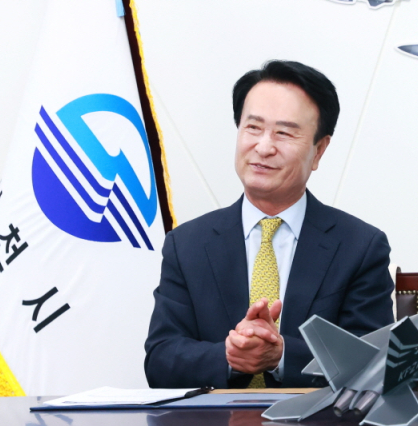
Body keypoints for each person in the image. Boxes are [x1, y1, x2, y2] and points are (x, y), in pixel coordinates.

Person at [144, 60, 394, 389]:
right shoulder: (187, 244)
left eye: (284, 133)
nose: (263, 147)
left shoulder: (359, 247)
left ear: (319, 150)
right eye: (253, 128)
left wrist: (281, 355)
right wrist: (231, 357)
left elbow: (374, 361)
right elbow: (160, 360)